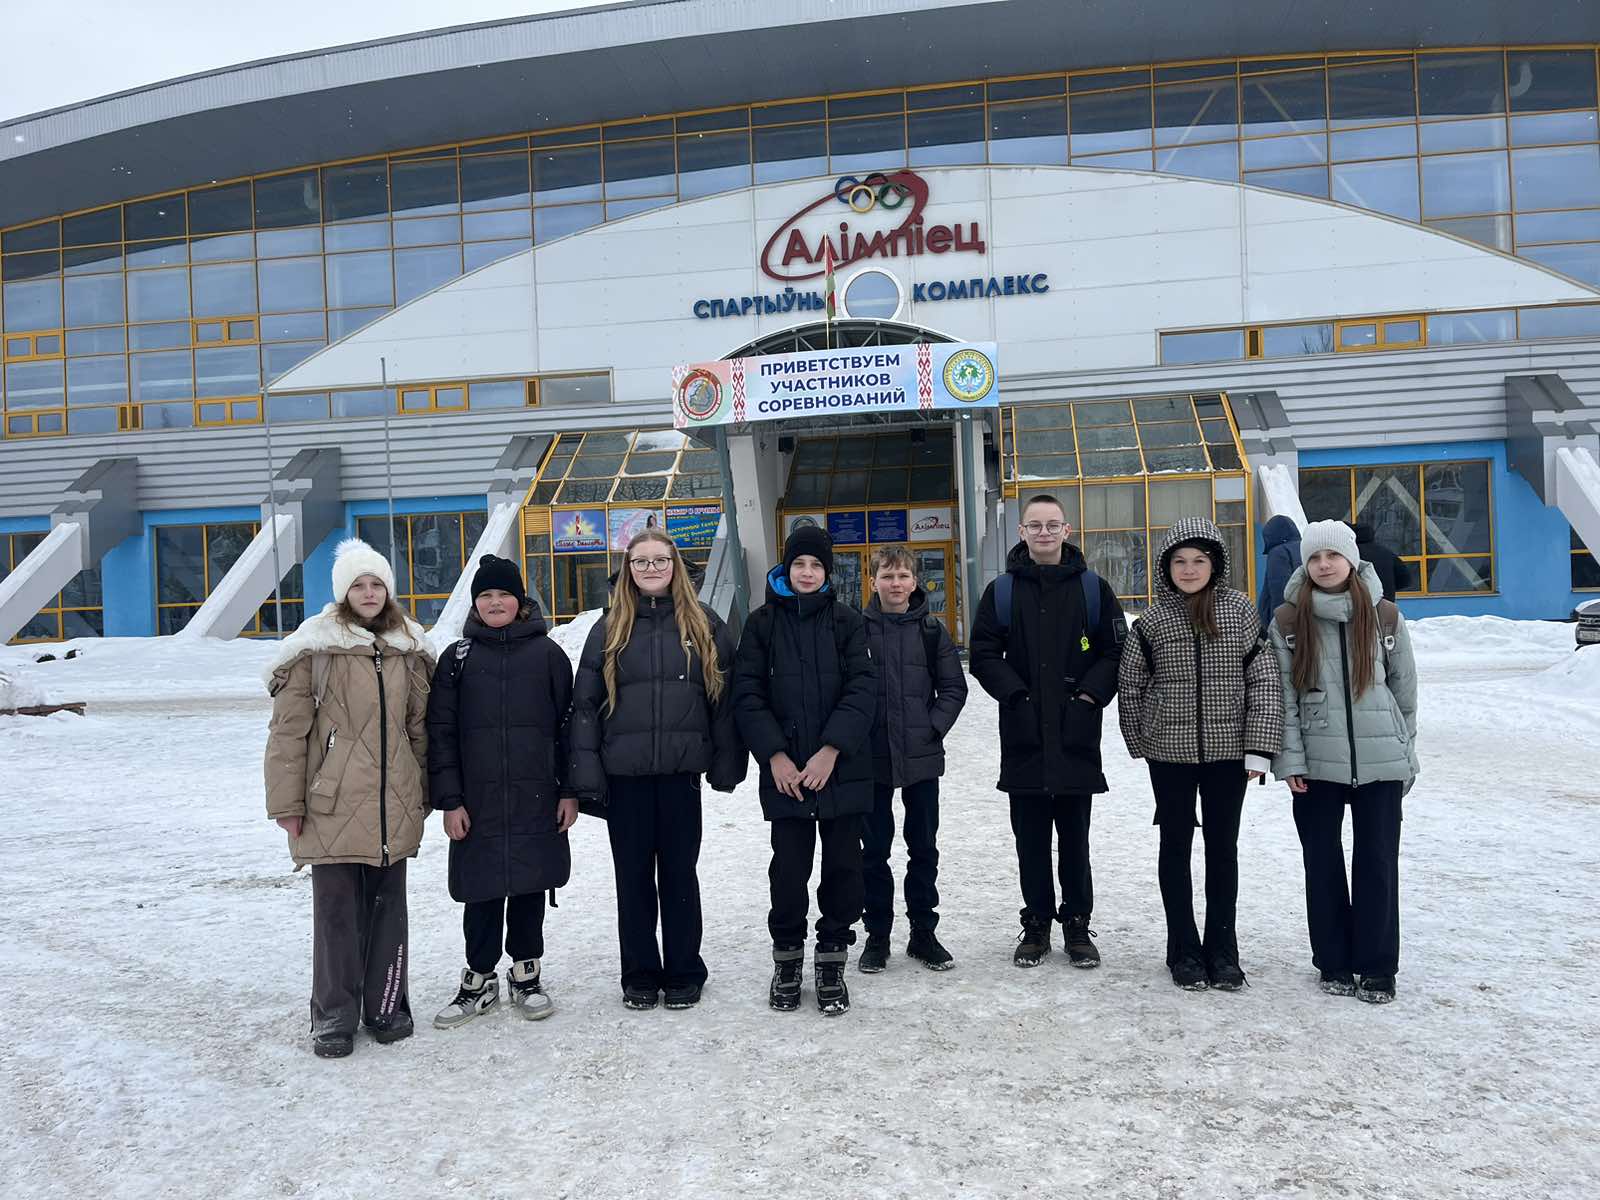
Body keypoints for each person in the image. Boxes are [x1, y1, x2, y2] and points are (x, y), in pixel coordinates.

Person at [263, 539, 433, 1059]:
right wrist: (286, 805)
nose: (369, 592)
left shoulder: (409, 649)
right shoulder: (314, 650)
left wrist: (425, 791)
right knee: (336, 913)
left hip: (393, 801)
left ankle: (387, 1006)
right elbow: (288, 734)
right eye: (358, 585)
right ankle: (334, 1015)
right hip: (330, 802)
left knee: (388, 909)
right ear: (343, 593)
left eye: (377, 583)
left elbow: (420, 730)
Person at [569, 530, 747, 1012]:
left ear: (675, 565)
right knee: (632, 881)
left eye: (660, 560)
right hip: (624, 779)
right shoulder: (608, 628)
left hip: (679, 777)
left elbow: (724, 702)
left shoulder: (704, 623)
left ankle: (684, 971)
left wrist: (726, 764)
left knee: (679, 877)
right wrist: (586, 775)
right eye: (641, 561)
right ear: (628, 570)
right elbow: (585, 706)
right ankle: (640, 973)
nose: (651, 569)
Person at [1118, 518, 1283, 991]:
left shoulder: (1240, 612)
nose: (1189, 570)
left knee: (1222, 849)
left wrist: (1259, 747)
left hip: (1228, 754)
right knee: (1175, 847)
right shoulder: (1152, 622)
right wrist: (1141, 740)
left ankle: (1223, 950)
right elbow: (1131, 684)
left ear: (1216, 564)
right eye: (1179, 561)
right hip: (1169, 755)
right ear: (1165, 567)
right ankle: (1183, 950)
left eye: (1198, 561)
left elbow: (1263, 679)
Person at [969, 494, 1126, 969]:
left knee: (1075, 839)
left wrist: (1089, 697)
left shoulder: (1093, 589)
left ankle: (1077, 922)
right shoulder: (1002, 592)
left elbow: (1115, 652)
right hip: (1025, 736)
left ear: (1066, 530)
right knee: (1031, 840)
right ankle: (1036, 922)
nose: (1043, 532)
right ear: (1021, 532)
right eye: (1034, 525)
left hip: (1076, 734)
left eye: (1051, 524)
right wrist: (1015, 697)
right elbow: (983, 653)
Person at [1268, 520, 1419, 1005]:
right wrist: (1291, 761)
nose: (1324, 565)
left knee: (1378, 864)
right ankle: (1333, 961)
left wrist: (1405, 751)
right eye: (1314, 558)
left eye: (1332, 555)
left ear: (1351, 560)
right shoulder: (1288, 621)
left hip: (1381, 762)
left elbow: (1404, 692)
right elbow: (1284, 700)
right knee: (1323, 864)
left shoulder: (1384, 616)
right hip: (1316, 766)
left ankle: (1377, 967)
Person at [427, 555, 577, 1029]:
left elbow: (569, 728)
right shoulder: (457, 659)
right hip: (477, 802)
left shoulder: (548, 655)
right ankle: (479, 979)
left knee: (531, 884)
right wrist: (450, 800)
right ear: (475, 604)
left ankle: (527, 975)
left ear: (520, 601)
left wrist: (569, 792)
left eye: (504, 594)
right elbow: (441, 734)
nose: (495, 603)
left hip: (537, 797)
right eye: (486, 595)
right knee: (482, 889)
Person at [734, 525, 875, 1016]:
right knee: (789, 872)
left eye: (816, 565)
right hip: (787, 775)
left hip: (842, 770)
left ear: (827, 572)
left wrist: (831, 750)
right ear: (786, 568)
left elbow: (863, 690)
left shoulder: (847, 622)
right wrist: (775, 755)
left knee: (844, 869)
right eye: (799, 564)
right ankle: (788, 960)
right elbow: (747, 694)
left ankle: (832, 958)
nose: (808, 572)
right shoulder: (761, 624)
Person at [857, 545, 967, 974]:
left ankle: (923, 932)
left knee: (923, 848)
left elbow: (953, 688)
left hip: (921, 756)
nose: (896, 584)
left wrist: (931, 727)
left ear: (915, 581)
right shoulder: (855, 630)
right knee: (873, 852)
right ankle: (877, 936)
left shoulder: (931, 630)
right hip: (871, 757)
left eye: (903, 575)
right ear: (873, 582)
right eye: (887, 576)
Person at [1257, 514, 1302, 629]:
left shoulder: (1278, 553)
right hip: (1304, 616)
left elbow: (1279, 592)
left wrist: (1276, 627)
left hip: (1284, 623)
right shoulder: (1304, 548)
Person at [1349, 522, 1414, 601]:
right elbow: (1405, 578)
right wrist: (1389, 588)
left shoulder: (1351, 553)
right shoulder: (1387, 553)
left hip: (1360, 603)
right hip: (1386, 602)